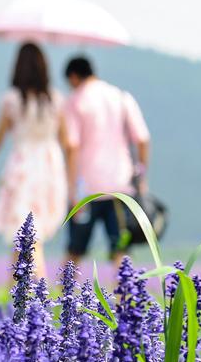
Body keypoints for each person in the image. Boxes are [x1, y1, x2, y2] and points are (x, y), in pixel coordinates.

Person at [0, 42, 73, 278]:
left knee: (27, 232)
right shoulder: (55, 99)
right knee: (27, 231)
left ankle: (36, 291)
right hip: (50, 166)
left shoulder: (12, 100)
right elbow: (67, 142)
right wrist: (71, 180)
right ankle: (15, 292)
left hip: (23, 165)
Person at [64, 56, 150, 264]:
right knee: (120, 251)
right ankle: (125, 296)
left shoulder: (75, 101)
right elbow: (142, 139)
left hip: (86, 188)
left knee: (75, 250)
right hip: (120, 186)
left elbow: (72, 147)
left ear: (74, 77)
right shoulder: (121, 97)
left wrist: (72, 188)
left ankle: (62, 295)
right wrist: (141, 173)